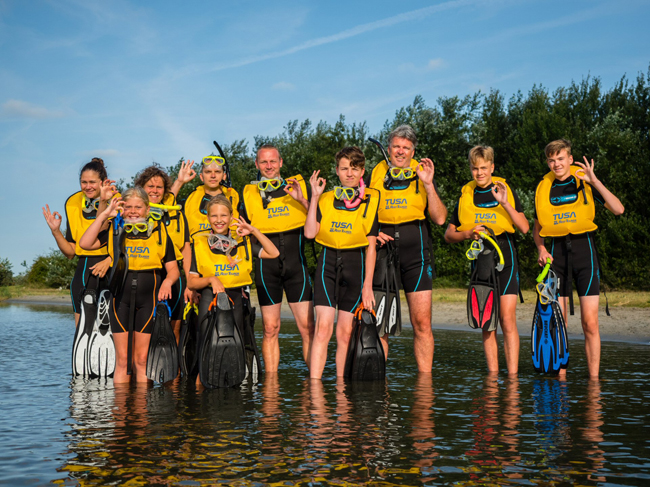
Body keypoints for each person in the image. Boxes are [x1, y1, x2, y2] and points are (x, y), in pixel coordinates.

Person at [533, 139, 624, 378]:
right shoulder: (544, 187)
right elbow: (537, 227)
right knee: (558, 324)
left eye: (560, 159)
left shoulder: (585, 181)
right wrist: (541, 249)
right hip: (557, 257)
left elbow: (618, 209)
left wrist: (595, 181)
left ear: (570, 159)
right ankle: (560, 380)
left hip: (586, 254)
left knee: (590, 323)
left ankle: (594, 381)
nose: (556, 164)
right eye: (551, 160)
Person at [79, 187, 179, 383]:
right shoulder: (114, 231)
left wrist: (167, 282)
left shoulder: (159, 233)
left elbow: (174, 269)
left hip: (149, 300)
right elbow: (84, 243)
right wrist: (106, 214)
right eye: (129, 207)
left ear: (147, 209)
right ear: (122, 208)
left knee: (142, 359)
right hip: (119, 299)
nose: (133, 211)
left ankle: (141, 411)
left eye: (138, 207)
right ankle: (121, 412)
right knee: (123, 360)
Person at [368, 125, 447, 372]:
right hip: (383, 252)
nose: (401, 152)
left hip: (417, 253)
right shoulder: (377, 172)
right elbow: (364, 210)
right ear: (388, 148)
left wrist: (429, 184)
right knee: (381, 323)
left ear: (413, 151)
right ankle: (378, 385)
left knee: (422, 323)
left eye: (406, 148)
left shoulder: (422, 172)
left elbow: (441, 219)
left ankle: (425, 385)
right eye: (397, 147)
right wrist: (371, 231)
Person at [444, 146, 529, 374]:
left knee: (507, 318)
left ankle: (512, 378)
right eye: (474, 168)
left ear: (492, 167)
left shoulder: (504, 189)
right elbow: (449, 235)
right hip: (480, 258)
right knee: (486, 321)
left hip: (505, 254)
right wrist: (467, 233)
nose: (479, 173)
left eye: (483, 168)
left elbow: (524, 227)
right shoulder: (466, 194)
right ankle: (492, 378)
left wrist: (505, 203)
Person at [305, 146, 380, 379]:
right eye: (344, 168)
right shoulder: (325, 199)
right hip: (327, 265)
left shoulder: (371, 199)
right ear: (337, 171)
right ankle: (315, 389)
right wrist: (314, 197)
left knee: (345, 332)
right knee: (322, 329)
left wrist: (368, 285)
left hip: (355, 266)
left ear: (362, 171)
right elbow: (309, 233)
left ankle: (340, 390)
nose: (349, 173)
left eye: (354, 169)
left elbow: (371, 247)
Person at [186, 195, 279, 385]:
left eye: (223, 215)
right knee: (207, 353)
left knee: (233, 354)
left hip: (236, 301)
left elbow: (273, 252)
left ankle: (231, 407)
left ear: (231, 217)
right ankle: (201, 404)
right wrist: (212, 279)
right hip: (209, 302)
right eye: (214, 216)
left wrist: (253, 230)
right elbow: (191, 283)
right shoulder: (199, 243)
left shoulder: (242, 241)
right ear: (208, 218)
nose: (219, 220)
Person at [239, 144, 314, 372]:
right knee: (271, 328)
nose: (269, 166)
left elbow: (318, 221)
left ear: (281, 162)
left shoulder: (298, 187)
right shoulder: (248, 193)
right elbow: (242, 235)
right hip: (266, 268)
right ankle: (271, 390)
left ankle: (313, 382)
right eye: (264, 162)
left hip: (296, 267)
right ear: (257, 165)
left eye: (273, 161)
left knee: (307, 327)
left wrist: (302, 200)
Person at [42, 158, 112, 326]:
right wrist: (55, 231)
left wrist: (110, 260)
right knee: (82, 333)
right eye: (84, 182)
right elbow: (71, 252)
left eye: (93, 182)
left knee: (109, 333)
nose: (88, 186)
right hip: (83, 271)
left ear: (102, 182)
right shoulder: (72, 202)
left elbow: (123, 242)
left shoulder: (116, 200)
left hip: (109, 268)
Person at [134, 165, 190, 341]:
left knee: (175, 328)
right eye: (150, 186)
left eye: (159, 187)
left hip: (174, 275)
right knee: (145, 329)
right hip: (148, 275)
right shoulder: (133, 212)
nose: (155, 190)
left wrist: (190, 282)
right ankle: (139, 367)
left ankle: (175, 368)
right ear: (142, 188)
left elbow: (185, 248)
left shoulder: (176, 213)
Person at [174, 156, 240, 237]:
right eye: (208, 172)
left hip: (230, 247)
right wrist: (179, 182)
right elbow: (164, 208)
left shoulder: (236, 199)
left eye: (217, 172)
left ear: (224, 176)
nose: (213, 175)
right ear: (201, 177)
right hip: (196, 248)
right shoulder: (189, 201)